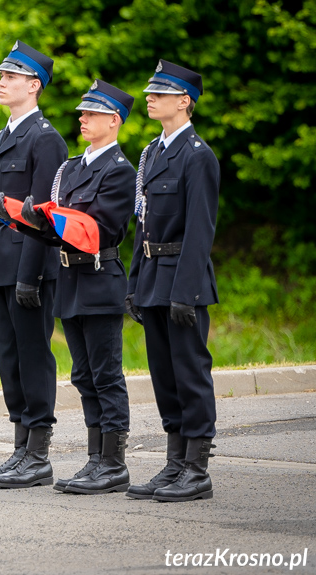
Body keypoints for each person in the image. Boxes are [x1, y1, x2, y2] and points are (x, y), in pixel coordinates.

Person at [0, 80, 137, 494]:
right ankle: (95, 460)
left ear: (114, 120)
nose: (82, 119)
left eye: (91, 114)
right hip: (71, 280)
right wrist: (25, 219)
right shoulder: (72, 167)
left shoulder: (120, 171)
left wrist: (45, 219)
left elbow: (100, 229)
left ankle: (113, 462)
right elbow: (55, 225)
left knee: (106, 375)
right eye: (82, 113)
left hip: (100, 279)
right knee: (83, 375)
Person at [124, 60, 220, 502]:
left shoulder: (197, 155)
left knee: (190, 372)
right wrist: (135, 284)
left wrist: (188, 291)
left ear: (184, 101)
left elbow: (200, 230)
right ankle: (175, 462)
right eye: (149, 92)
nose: (150, 98)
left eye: (160, 92)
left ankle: (197, 470)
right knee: (164, 375)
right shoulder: (154, 152)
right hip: (154, 277)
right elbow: (145, 226)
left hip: (183, 278)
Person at [0, 41, 67, 489]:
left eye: (9, 77)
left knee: (33, 356)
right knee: (8, 358)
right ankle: (19, 449)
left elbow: (43, 213)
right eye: (2, 75)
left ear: (33, 86)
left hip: (29, 266)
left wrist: (29, 273)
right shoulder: (2, 137)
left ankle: (39, 454)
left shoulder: (45, 139)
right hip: (1, 262)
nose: (1, 82)